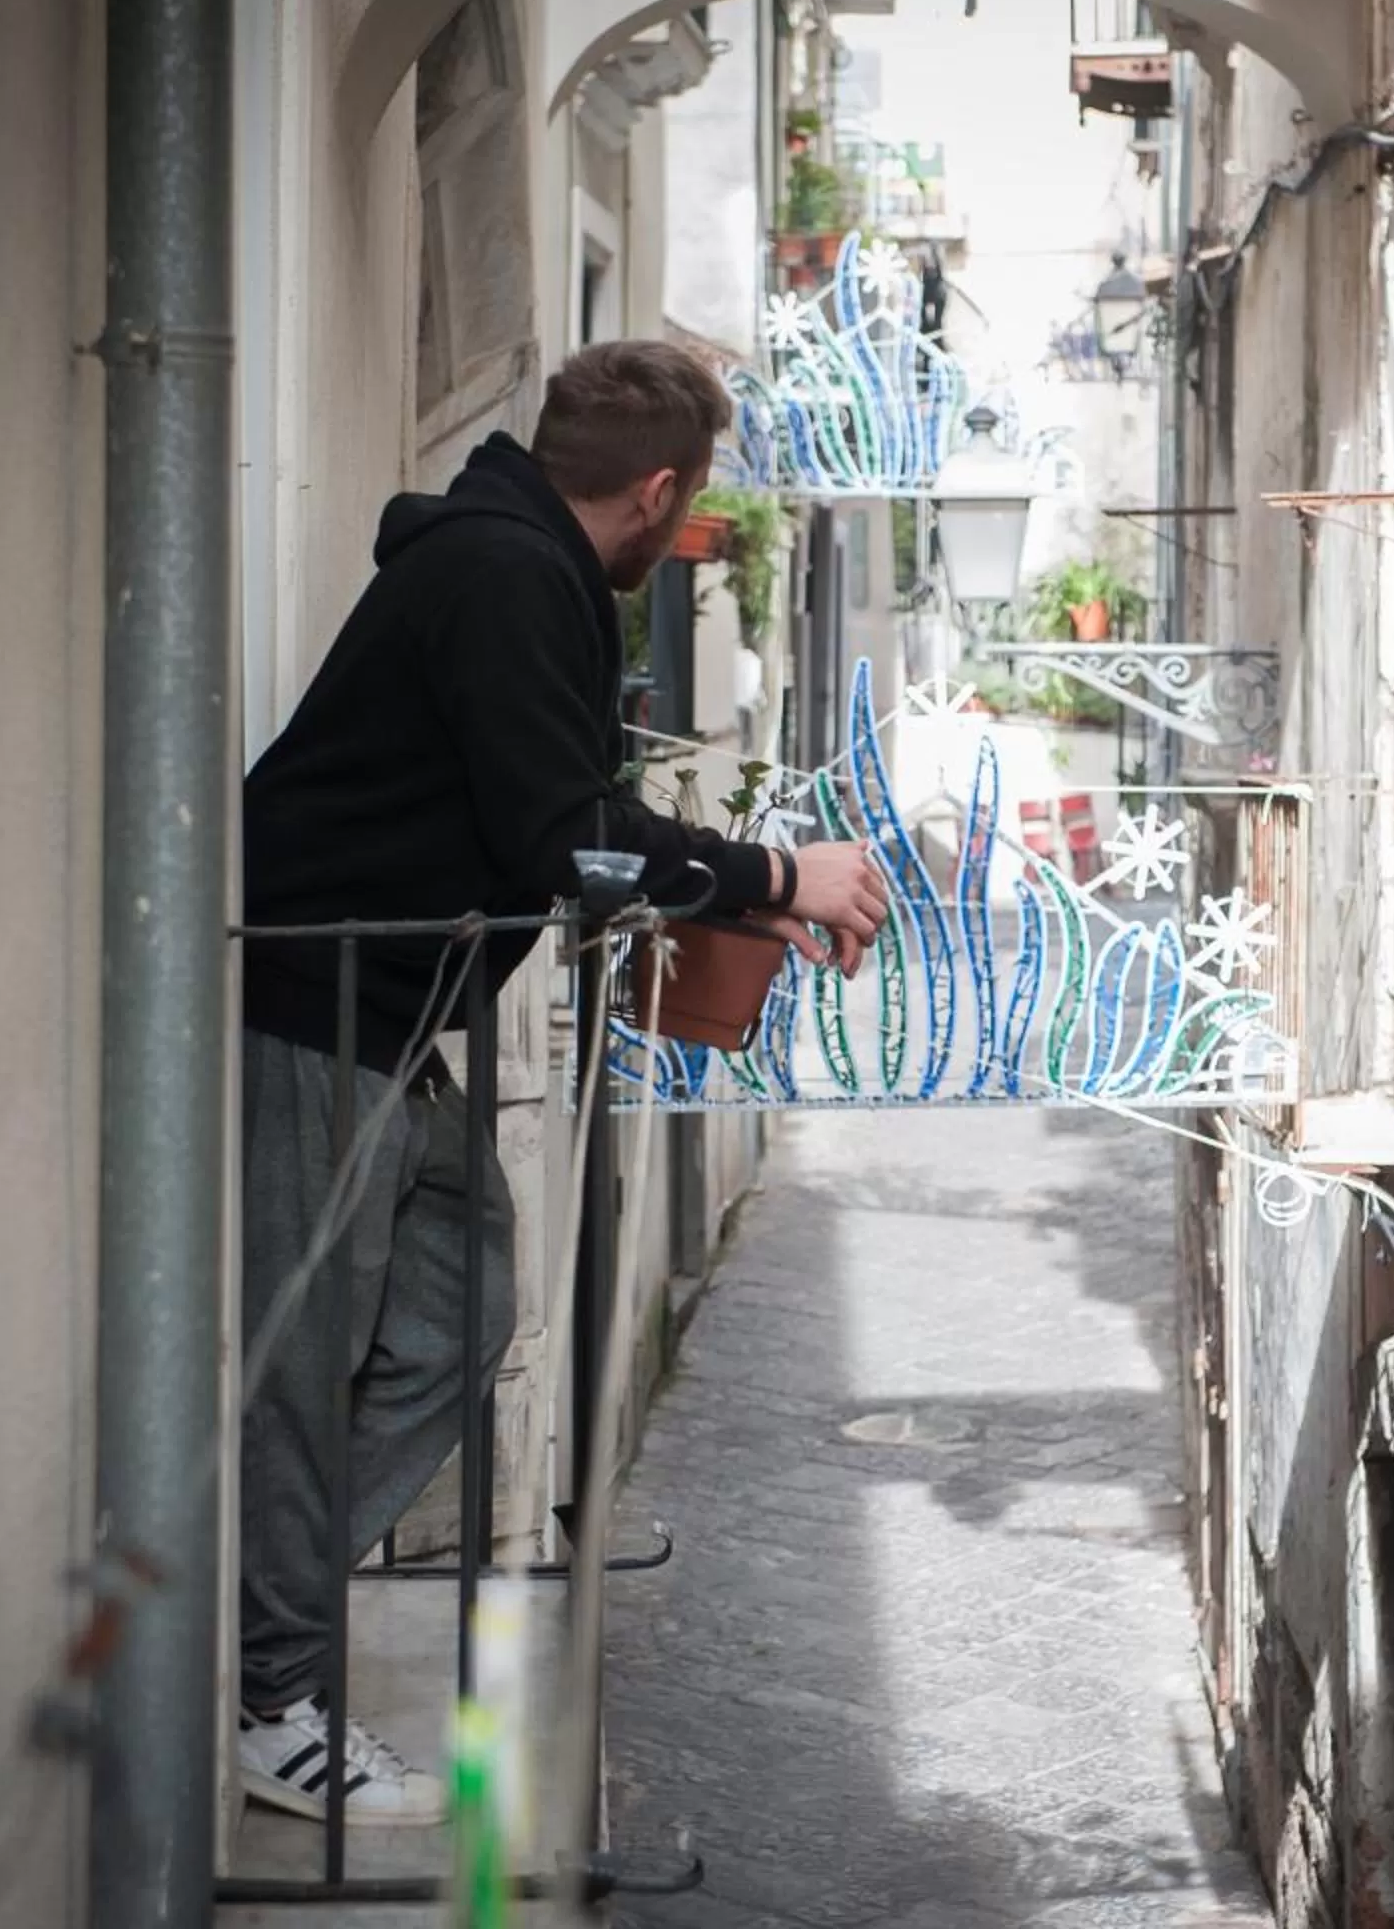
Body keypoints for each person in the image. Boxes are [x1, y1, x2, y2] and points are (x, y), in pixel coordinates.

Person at [233, 341, 889, 1823]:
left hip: (393, 1019)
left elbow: (572, 816)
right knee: (300, 1364)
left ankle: (258, 1595)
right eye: (688, 503)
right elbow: (562, 843)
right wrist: (777, 869)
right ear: (659, 491)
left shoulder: (513, 567)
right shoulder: (510, 581)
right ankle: (269, 1696)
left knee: (460, 1304)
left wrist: (737, 898)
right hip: (318, 1003)